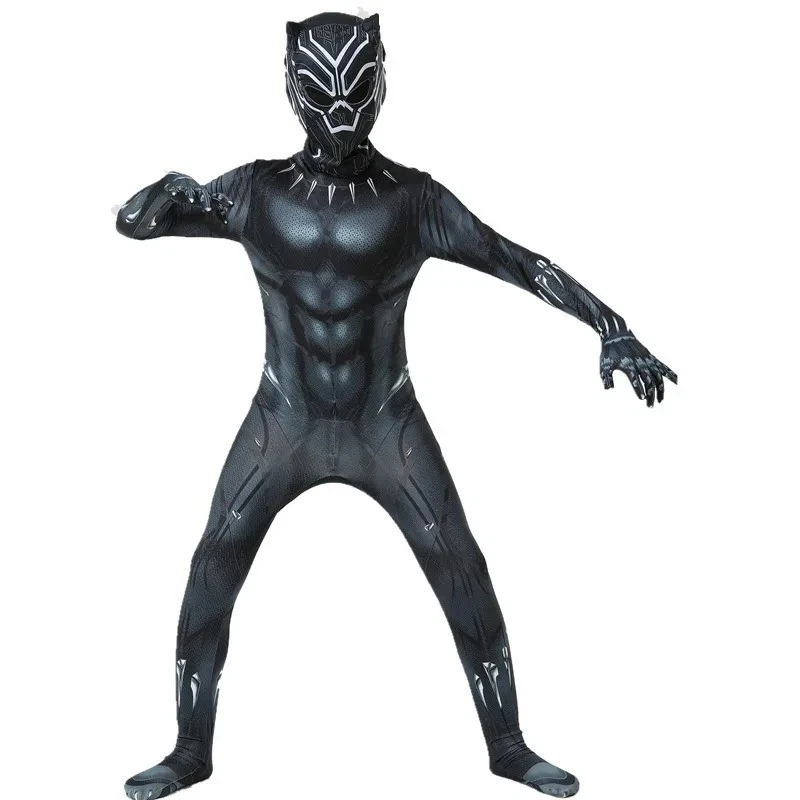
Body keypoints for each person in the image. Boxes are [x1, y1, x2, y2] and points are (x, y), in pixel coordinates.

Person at [117, 11, 676, 799]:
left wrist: (610, 325)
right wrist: (167, 187)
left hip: (383, 420)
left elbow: (518, 261)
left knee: (460, 562)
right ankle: (189, 748)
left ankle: (508, 744)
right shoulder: (255, 191)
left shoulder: (410, 201)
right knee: (214, 561)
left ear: (382, 82)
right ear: (294, 89)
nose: (342, 114)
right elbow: (136, 225)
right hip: (286, 418)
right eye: (325, 95)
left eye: (356, 91)